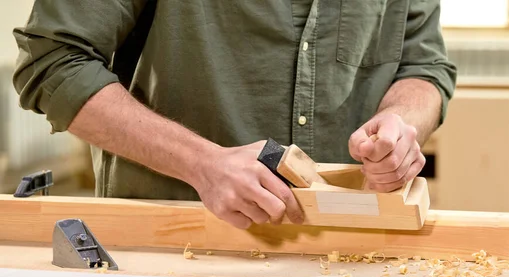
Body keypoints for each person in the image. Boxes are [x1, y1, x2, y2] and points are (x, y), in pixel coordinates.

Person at [12, 0, 457, 230]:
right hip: (174, 243)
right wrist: (202, 163)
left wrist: (402, 121)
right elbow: (53, 60)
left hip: (349, 246)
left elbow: (423, 65)